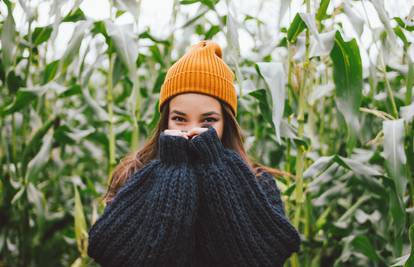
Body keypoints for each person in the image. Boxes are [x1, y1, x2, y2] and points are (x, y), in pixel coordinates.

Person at [87, 40, 301, 267]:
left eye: (208, 120)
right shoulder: (134, 175)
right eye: (179, 119)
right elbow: (109, 251)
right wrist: (173, 170)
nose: (191, 130)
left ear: (226, 123)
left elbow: (266, 257)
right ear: (165, 120)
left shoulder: (258, 183)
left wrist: (215, 166)